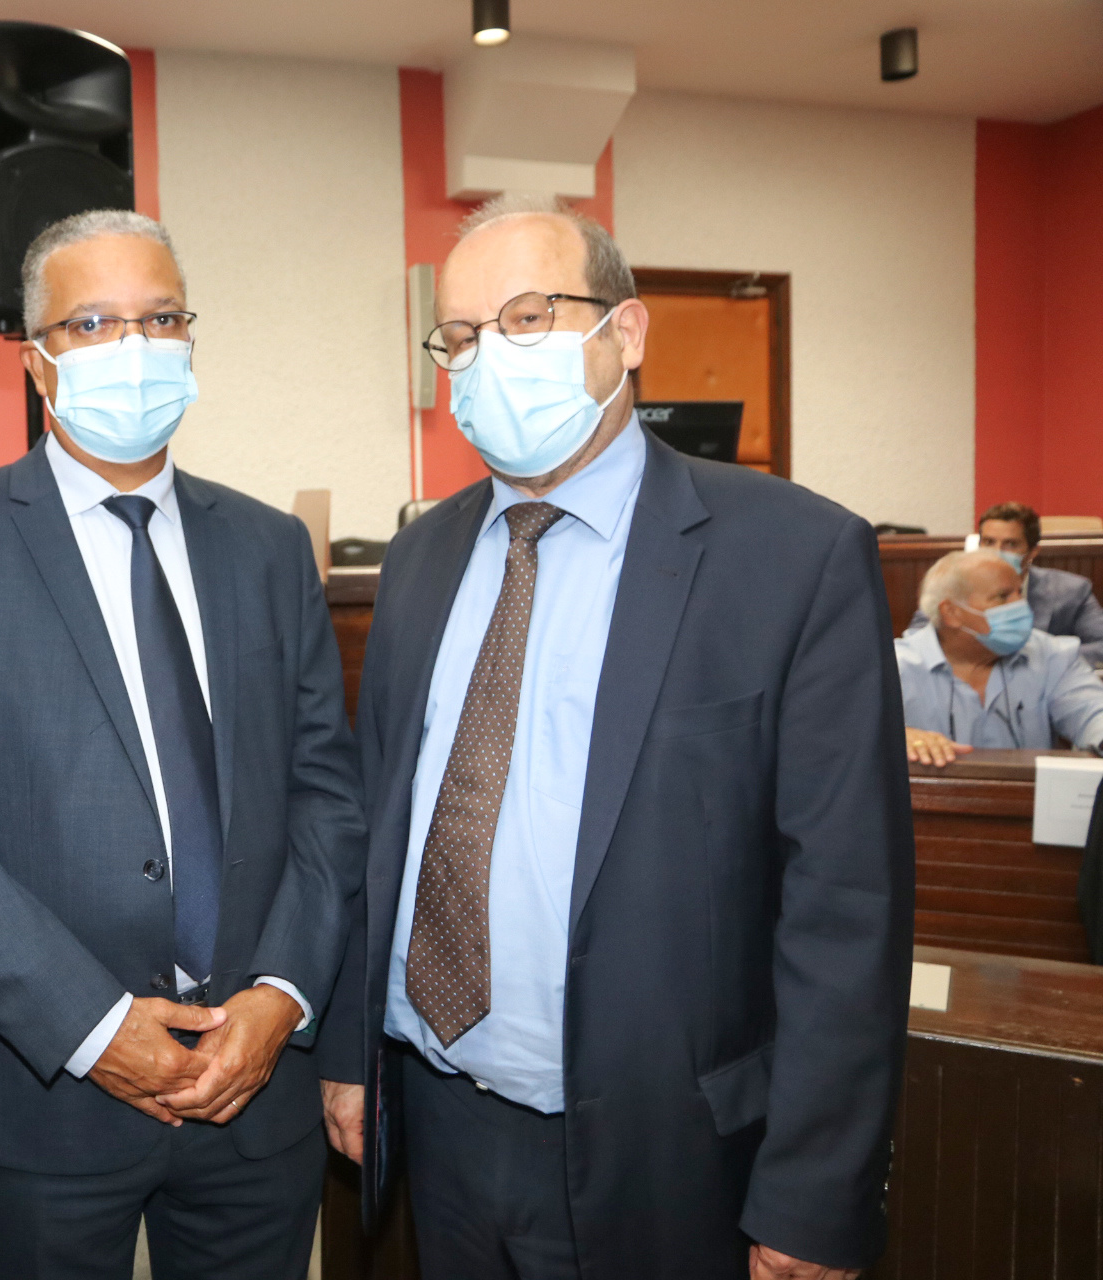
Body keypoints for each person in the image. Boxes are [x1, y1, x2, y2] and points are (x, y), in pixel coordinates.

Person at [316, 194, 913, 1280]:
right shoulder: (418, 564)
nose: (490, 355)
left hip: (667, 1150)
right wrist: (353, 1053)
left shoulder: (793, 556)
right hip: (437, 1124)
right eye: (461, 335)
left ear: (625, 333)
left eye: (530, 316)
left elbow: (847, 901)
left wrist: (816, 1187)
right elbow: (378, 836)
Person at [0, 209, 366, 1280]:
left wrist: (280, 995)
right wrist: (90, 1024)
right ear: (37, 358)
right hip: (45, 1086)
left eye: (159, 318)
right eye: (92, 322)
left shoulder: (270, 548)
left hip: (255, 1084)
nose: (132, 349)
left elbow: (327, 791)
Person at [898, 549, 1103, 767]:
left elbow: (1092, 712)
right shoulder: (893, 667)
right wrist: (897, 736)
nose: (1020, 605)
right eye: (1003, 596)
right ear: (951, 612)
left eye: (1019, 593)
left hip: (1030, 797)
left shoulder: (1051, 655)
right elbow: (860, 730)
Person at [906, 501, 1103, 665]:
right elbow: (916, 639)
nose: (996, 552)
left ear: (1032, 552)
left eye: (1010, 544)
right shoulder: (950, 586)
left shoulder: (1071, 590)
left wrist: (1042, 661)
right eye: (989, 542)